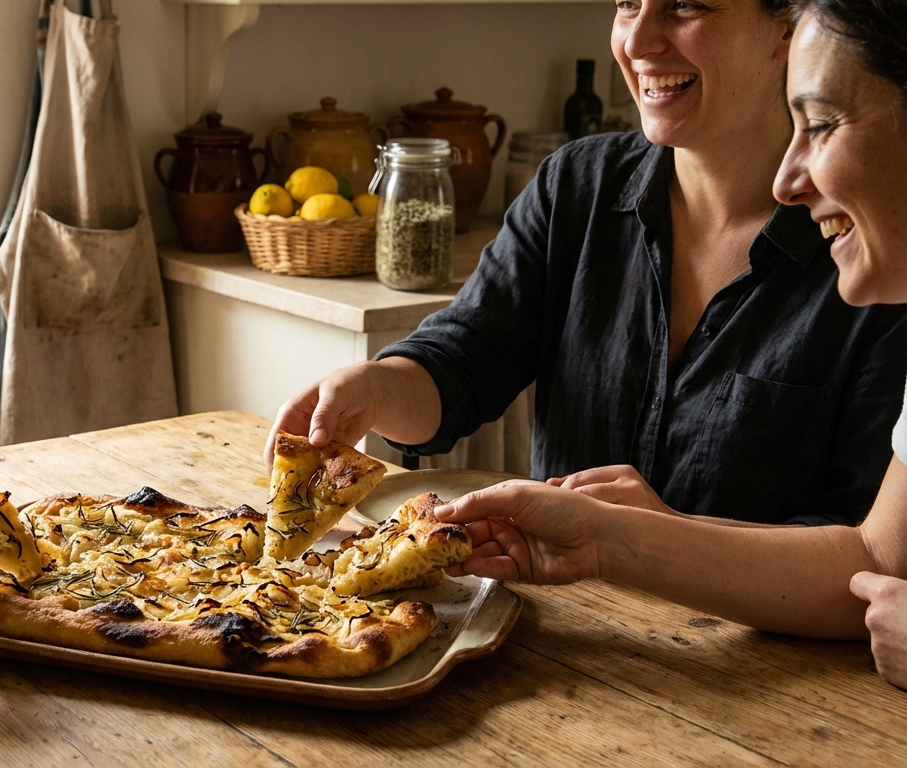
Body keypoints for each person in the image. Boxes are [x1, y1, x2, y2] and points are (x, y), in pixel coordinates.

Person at [269, 0, 907, 528]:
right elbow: (467, 358)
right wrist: (375, 390)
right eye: (628, 3)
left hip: (773, 670)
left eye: (685, 6)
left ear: (787, 28)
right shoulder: (578, 182)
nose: (638, 39)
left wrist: (654, 540)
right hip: (566, 635)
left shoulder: (877, 244)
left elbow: (867, 543)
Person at [437, 0, 907, 689]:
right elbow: (876, 559)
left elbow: (872, 571)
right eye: (627, 3)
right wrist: (605, 540)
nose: (789, 180)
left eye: (823, 125)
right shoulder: (578, 182)